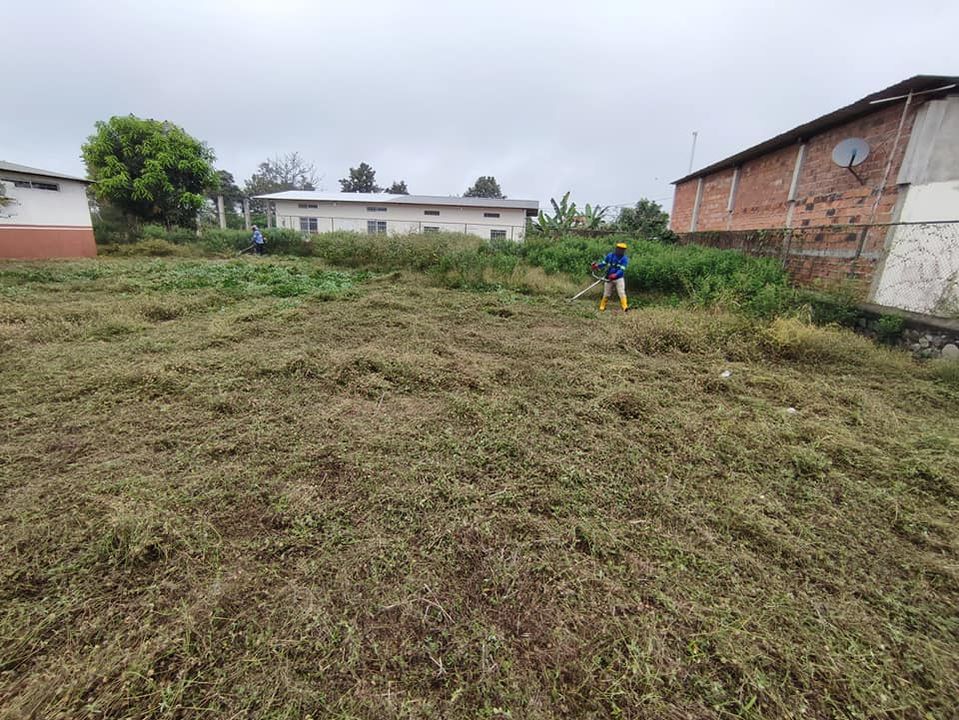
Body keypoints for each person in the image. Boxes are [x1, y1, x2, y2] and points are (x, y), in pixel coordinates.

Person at [592, 242, 629, 312]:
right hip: (609, 278)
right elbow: (604, 263)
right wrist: (597, 266)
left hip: (619, 279)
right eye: (619, 249)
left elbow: (622, 270)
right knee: (606, 294)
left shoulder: (625, 259)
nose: (621, 251)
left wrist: (615, 275)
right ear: (616, 249)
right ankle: (602, 306)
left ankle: (625, 307)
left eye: (623, 249)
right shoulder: (610, 256)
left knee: (621, 292)